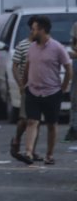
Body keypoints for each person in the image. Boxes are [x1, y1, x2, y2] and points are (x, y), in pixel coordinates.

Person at [19, 15, 73, 165]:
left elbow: (68, 69)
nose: (31, 32)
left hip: (52, 92)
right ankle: (29, 152)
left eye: (34, 29)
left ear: (42, 30)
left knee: (51, 124)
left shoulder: (57, 48)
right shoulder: (31, 47)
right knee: (32, 121)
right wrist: (23, 85)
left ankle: (49, 155)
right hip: (33, 90)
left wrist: (62, 88)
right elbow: (27, 67)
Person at [10, 21, 40, 162]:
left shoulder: (44, 46)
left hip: (41, 87)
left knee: (35, 120)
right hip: (27, 87)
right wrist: (20, 83)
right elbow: (15, 66)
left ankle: (31, 150)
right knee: (24, 119)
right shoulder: (22, 46)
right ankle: (16, 140)